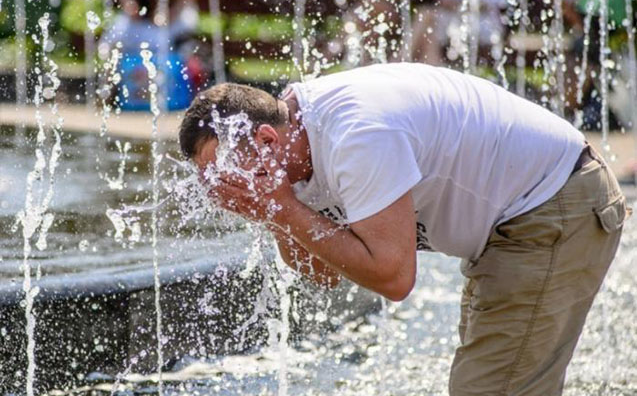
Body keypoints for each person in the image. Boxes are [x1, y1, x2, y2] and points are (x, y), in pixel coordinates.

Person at [178, 63, 629, 395]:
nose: (220, 186)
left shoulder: (355, 135)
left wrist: (282, 211)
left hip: (554, 202)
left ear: (266, 140)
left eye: (221, 167)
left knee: (491, 389)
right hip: (519, 219)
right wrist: (275, 213)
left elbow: (394, 277)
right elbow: (323, 273)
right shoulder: (292, 146)